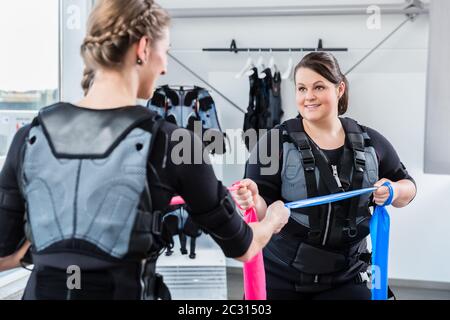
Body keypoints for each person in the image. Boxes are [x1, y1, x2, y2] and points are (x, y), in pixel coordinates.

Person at [0, 0, 290, 299]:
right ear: (143, 48)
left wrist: (59, 249)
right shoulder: (173, 142)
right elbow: (243, 247)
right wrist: (273, 219)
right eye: (164, 52)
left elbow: (4, 253)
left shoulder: (31, 135)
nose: (164, 67)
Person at [233, 52, 417, 300]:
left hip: (349, 276)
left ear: (339, 89)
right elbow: (263, 211)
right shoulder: (273, 143)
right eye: (301, 88)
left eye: (318, 87)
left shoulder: (371, 142)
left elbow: (409, 188)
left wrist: (393, 190)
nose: (308, 96)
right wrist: (252, 200)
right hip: (281, 278)